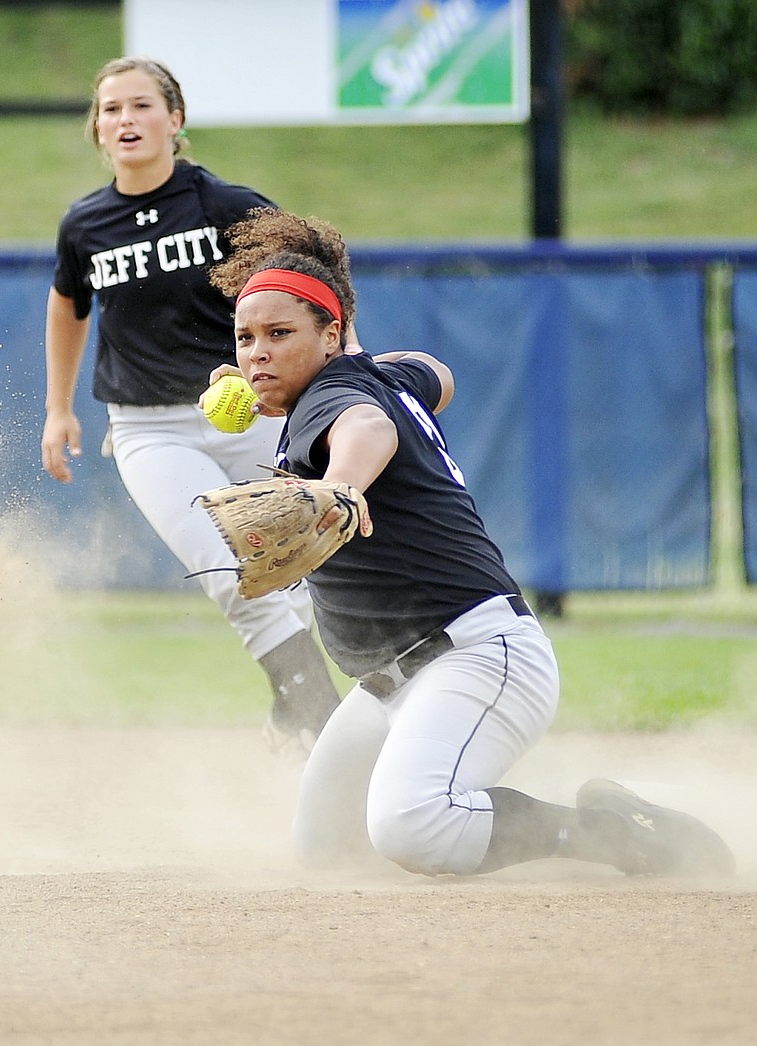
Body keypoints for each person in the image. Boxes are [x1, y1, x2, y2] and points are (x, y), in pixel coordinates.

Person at [203, 207, 736, 879]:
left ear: (332, 336)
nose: (257, 353)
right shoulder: (378, 378)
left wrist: (340, 487)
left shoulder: (333, 401)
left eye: (280, 334)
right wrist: (374, 365)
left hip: (478, 656)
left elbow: (368, 429)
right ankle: (503, 828)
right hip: (393, 683)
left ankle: (611, 837)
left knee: (411, 825)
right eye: (246, 338)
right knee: (327, 848)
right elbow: (437, 372)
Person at [40, 56, 341, 757]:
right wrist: (59, 407)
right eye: (111, 109)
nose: (126, 120)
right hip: (147, 429)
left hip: (252, 417)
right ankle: (324, 723)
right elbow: (67, 303)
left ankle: (294, 714)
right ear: (98, 129)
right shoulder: (85, 225)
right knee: (230, 572)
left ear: (175, 120)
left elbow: (312, 279)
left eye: (142, 105)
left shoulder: (223, 206)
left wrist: (343, 364)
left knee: (301, 578)